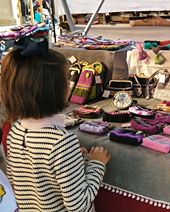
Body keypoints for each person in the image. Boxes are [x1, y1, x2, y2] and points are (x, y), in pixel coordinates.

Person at [1, 40, 111, 212]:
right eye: (66, 79)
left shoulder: (16, 131)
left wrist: (75, 159)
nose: (69, 84)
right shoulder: (61, 142)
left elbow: (20, 183)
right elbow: (79, 205)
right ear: (51, 90)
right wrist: (97, 164)